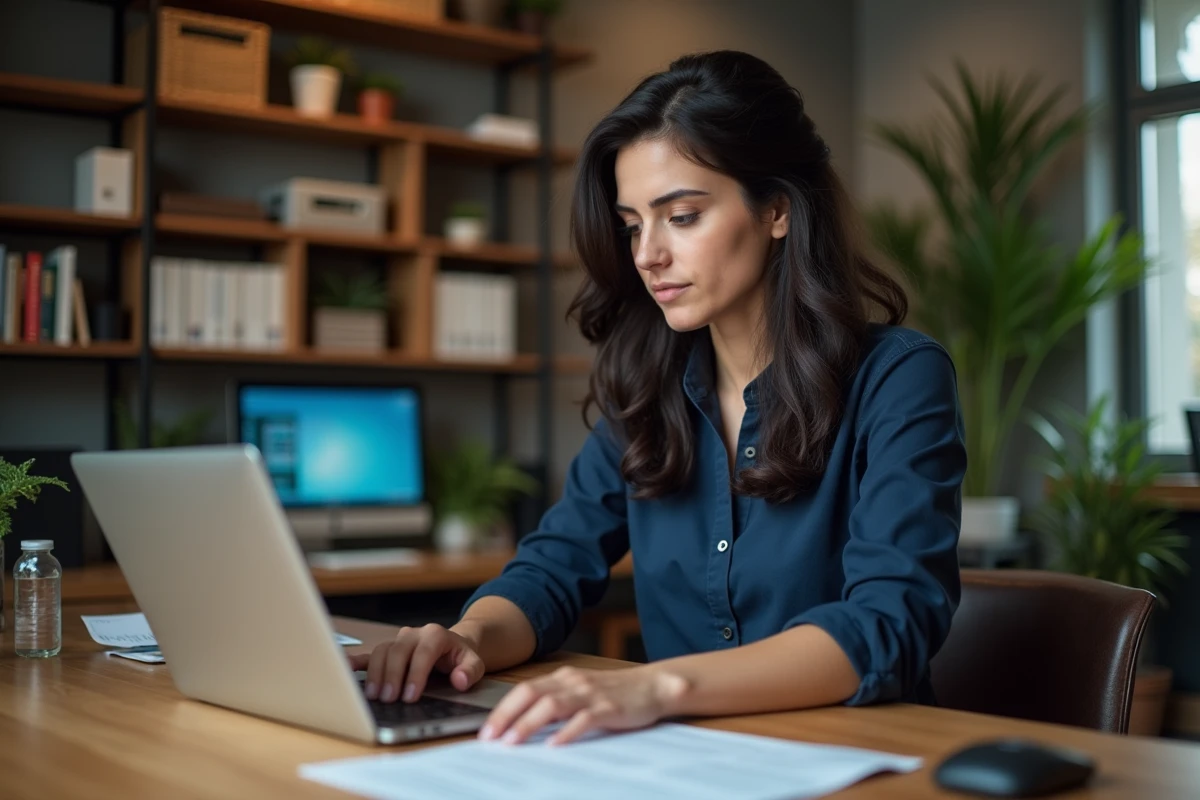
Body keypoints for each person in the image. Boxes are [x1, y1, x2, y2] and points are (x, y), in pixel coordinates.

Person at [350, 49, 966, 746]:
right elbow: (554, 566)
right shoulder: (646, 387)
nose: (647, 255)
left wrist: (655, 685)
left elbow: (891, 620)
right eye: (633, 223)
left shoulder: (899, 377)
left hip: (856, 760)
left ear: (777, 211)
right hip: (685, 763)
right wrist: (468, 638)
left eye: (681, 216)